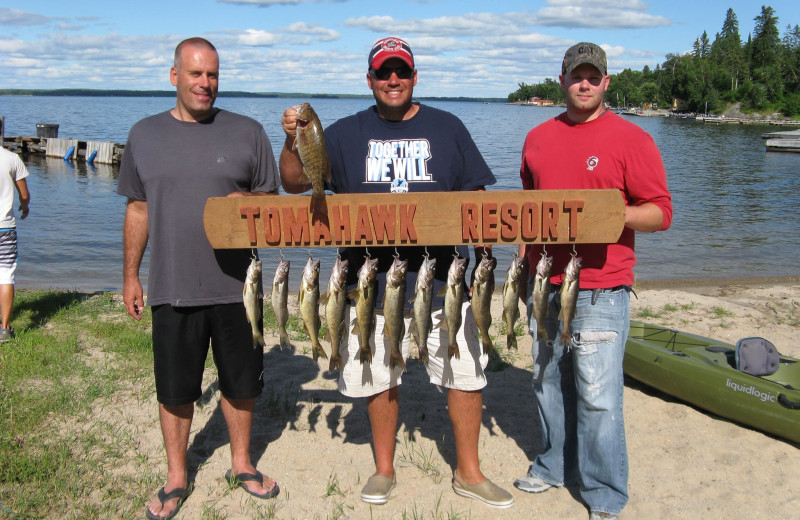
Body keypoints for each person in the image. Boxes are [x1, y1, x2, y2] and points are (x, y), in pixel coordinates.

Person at [279, 37, 514, 509]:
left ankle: (469, 471)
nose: (393, 80)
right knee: (377, 373)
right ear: (369, 80)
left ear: (413, 77)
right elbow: (293, 182)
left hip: (445, 279)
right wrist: (292, 139)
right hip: (369, 281)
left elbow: (478, 197)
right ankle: (384, 468)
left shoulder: (449, 127)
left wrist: (488, 259)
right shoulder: (341, 133)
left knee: (465, 374)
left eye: (401, 72)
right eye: (383, 72)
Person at [118, 37, 281, 520]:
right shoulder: (144, 134)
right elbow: (138, 208)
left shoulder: (249, 132)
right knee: (175, 388)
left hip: (238, 287)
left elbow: (274, 205)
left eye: (212, 74)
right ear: (174, 77)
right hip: (172, 285)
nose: (205, 83)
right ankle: (176, 476)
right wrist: (130, 275)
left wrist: (250, 206)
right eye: (195, 74)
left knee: (240, 383)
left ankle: (242, 463)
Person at [514, 42, 673, 520]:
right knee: (546, 382)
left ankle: (604, 495)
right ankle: (551, 466)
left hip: (602, 286)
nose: (584, 84)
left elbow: (661, 212)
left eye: (593, 76)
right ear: (561, 78)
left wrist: (612, 216)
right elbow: (526, 210)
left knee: (599, 397)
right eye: (576, 75)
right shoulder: (537, 137)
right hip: (545, 283)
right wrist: (521, 265)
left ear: (606, 82)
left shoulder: (632, 139)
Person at [0, 147, 30, 342]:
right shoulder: (12, 158)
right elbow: (25, 194)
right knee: (5, 275)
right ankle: (4, 329)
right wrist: (24, 207)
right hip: (4, 228)